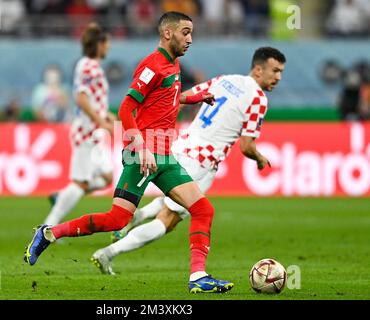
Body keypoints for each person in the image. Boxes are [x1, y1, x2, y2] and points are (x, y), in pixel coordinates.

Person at [24, 11, 233, 294]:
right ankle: (48, 233)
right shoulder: (152, 65)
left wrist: (194, 96)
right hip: (142, 155)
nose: (190, 39)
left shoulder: (173, 66)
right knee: (117, 220)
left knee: (202, 208)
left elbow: (167, 98)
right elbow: (126, 108)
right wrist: (141, 149)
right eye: (185, 32)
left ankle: (198, 277)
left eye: (191, 33)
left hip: (164, 156)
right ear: (167, 33)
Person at [93, 47, 286, 275]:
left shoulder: (225, 80)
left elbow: (181, 98)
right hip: (202, 161)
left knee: (175, 200)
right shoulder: (258, 99)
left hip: (182, 145)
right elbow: (247, 146)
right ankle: (108, 252)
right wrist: (260, 157)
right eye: (274, 71)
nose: (278, 77)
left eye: (281, 72)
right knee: (169, 219)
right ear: (258, 69)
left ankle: (137, 216)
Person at [43, 23, 115, 227]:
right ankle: (48, 226)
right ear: (99, 44)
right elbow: (81, 98)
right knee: (81, 182)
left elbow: (92, 100)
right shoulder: (89, 67)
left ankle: (63, 195)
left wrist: (106, 116)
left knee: (107, 177)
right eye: (107, 42)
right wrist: (101, 121)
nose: (109, 46)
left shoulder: (90, 65)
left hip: (94, 131)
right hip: (86, 132)